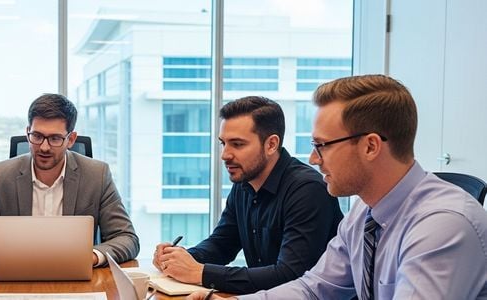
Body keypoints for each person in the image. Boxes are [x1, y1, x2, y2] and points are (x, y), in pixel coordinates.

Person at [193, 75, 487, 300]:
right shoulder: (366, 213)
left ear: (371, 146)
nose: (312, 158)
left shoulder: (442, 226)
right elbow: (314, 288)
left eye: (322, 146)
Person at [154, 96, 343, 294]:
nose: (225, 155)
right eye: (223, 143)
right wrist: (179, 258)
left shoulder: (307, 189)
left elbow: (290, 275)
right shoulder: (245, 181)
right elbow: (222, 244)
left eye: (237, 144)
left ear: (271, 144)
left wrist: (199, 272)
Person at [0, 93, 139, 267]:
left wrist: (91, 257)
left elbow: (127, 238)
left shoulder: (97, 175)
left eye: (55, 138)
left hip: (75, 279)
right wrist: (4, 258)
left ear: (71, 139)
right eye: (37, 136)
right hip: (16, 277)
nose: (44, 147)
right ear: (28, 133)